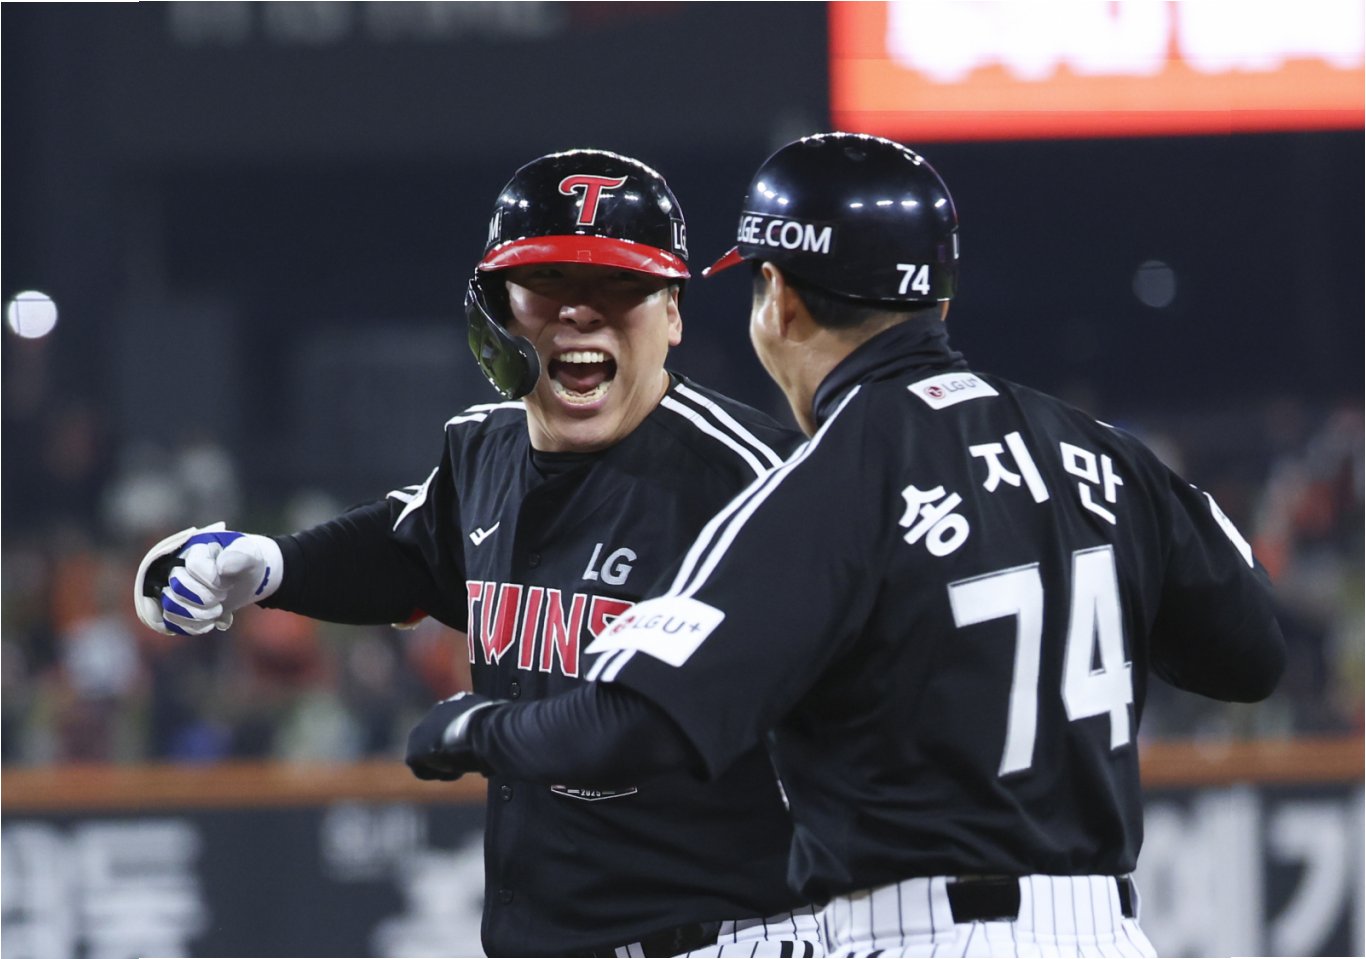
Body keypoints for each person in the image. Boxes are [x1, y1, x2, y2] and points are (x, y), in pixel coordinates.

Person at [400, 133, 1287, 958]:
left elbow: (635, 724)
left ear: (780, 300)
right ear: (938, 298)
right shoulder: (1104, 452)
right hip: (1109, 931)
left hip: (918, 934)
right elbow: (1251, 655)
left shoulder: (829, 483)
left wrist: (477, 726)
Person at [133, 149, 824, 958]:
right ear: (494, 311)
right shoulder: (483, 452)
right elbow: (406, 547)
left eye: (619, 285)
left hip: (734, 933)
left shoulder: (759, 481)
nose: (581, 312)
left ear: (671, 313)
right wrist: (271, 566)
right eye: (548, 282)